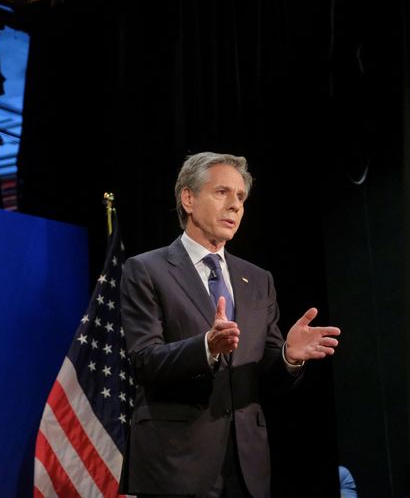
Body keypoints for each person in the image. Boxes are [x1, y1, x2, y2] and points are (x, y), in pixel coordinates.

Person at [119, 152, 341, 498]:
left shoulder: (258, 278)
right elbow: (145, 360)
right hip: (176, 462)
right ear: (188, 199)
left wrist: (288, 356)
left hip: (246, 465)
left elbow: (267, 371)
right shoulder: (147, 270)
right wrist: (207, 347)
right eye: (222, 192)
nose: (235, 206)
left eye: (240, 197)